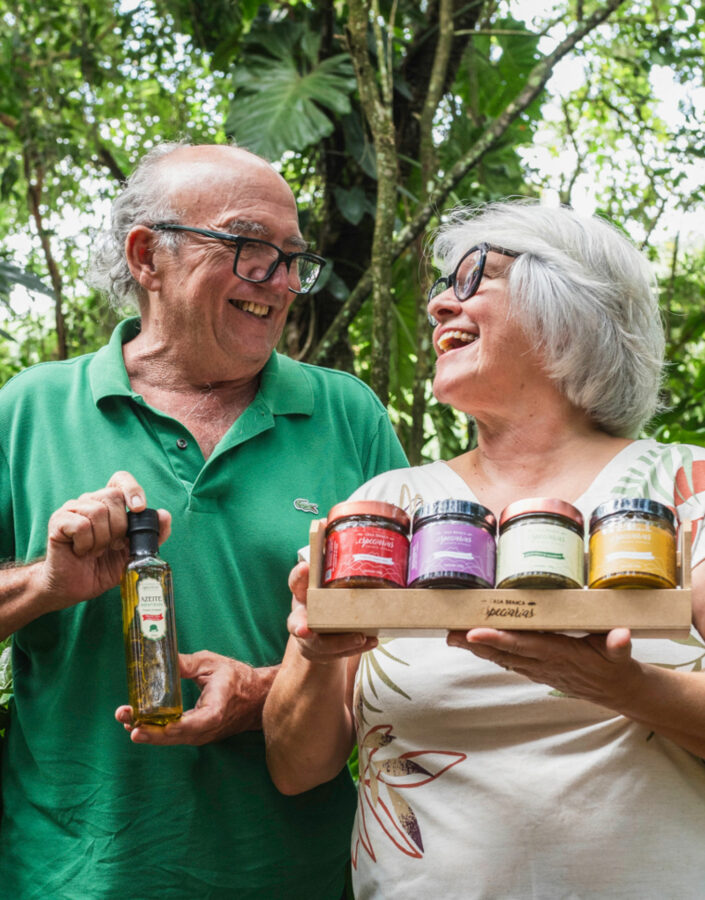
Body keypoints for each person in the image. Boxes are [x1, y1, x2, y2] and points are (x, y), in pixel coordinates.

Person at [263, 200, 705, 899]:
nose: (438, 303)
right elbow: (294, 766)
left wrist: (629, 689)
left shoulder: (685, 488)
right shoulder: (388, 506)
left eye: (473, 277)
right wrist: (316, 656)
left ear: (570, 302)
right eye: (440, 285)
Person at [0, 142, 407, 899]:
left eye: (292, 258)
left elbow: (410, 639)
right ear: (147, 255)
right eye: (251, 249)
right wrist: (47, 583)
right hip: (73, 875)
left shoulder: (347, 414)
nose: (280, 282)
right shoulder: (26, 409)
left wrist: (268, 692)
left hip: (296, 873)